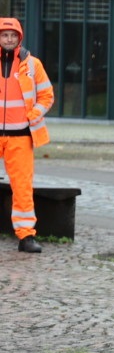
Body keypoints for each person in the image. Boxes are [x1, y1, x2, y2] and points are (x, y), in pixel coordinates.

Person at [0, 18, 52, 253]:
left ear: (19, 38)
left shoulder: (33, 65)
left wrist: (33, 114)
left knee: (22, 187)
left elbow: (47, 95)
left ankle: (26, 236)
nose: (9, 39)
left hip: (21, 136)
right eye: (4, 35)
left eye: (13, 35)